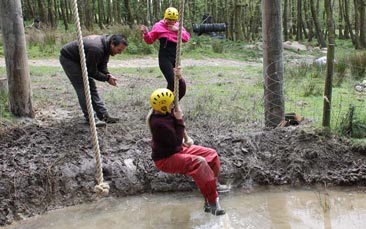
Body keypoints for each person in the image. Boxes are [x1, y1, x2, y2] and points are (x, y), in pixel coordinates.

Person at [146, 88, 226, 216]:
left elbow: (179, 91)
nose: (173, 105)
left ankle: (209, 193)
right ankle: (213, 202)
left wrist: (179, 77)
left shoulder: (164, 111)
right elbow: (177, 141)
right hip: (166, 159)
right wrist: (179, 120)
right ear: (163, 106)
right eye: (171, 103)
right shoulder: (158, 123)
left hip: (177, 149)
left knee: (212, 155)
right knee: (200, 162)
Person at [59, 34, 128, 127]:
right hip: (70, 59)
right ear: (112, 44)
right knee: (83, 88)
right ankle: (91, 119)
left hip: (81, 59)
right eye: (119, 50)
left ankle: (103, 116)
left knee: (91, 86)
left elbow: (102, 64)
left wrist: (107, 75)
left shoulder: (105, 45)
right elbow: (92, 71)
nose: (120, 53)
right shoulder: (96, 49)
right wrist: (106, 78)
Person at [140, 7, 190, 93]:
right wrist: (145, 33)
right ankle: (166, 102)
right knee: (172, 80)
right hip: (164, 57)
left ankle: (171, 104)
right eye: (169, 19)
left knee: (179, 83)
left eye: (173, 20)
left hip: (176, 57)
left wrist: (177, 30)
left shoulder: (178, 26)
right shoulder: (158, 26)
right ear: (165, 18)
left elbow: (186, 38)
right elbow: (150, 40)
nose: (171, 22)